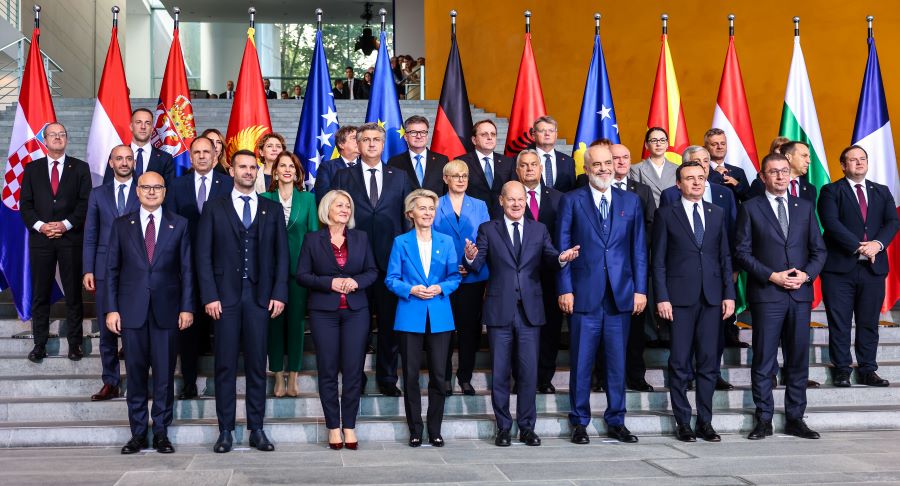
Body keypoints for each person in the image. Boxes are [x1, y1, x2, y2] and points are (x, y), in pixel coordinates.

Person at [464, 181, 580, 447]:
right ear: (502, 201)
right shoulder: (488, 229)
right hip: (499, 310)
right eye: (511, 199)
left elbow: (551, 258)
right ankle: (503, 427)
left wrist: (563, 257)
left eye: (521, 200)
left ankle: (527, 428)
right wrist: (470, 258)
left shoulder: (539, 229)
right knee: (501, 372)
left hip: (530, 311)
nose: (517, 204)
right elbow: (478, 262)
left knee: (529, 373)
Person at [196, 150, 289, 453]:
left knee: (256, 366)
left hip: (260, 298)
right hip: (224, 299)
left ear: (258, 171)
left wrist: (278, 293)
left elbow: (281, 257)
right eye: (242, 167)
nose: (248, 172)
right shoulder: (214, 207)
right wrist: (209, 294)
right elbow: (203, 255)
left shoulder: (271, 209)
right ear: (232, 170)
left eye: (253, 167)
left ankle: (256, 429)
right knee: (224, 366)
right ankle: (225, 431)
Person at [558, 143, 647, 445]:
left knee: (617, 364)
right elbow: (563, 248)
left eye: (608, 163)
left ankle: (616, 420)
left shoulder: (631, 201)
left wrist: (640, 290)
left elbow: (638, 250)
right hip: (583, 296)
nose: (604, 168)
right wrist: (565, 288)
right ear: (586, 169)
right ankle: (579, 422)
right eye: (597, 164)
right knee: (581, 363)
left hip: (620, 297)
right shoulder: (571, 201)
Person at [735, 152, 826, 440]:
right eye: (773, 172)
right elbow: (742, 252)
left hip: (799, 295)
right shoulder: (750, 208)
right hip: (767, 294)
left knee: (798, 359)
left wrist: (807, 275)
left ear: (790, 174)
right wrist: (771, 275)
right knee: (763, 359)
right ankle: (763, 419)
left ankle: (796, 418)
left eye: (784, 171)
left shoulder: (804, 207)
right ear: (762, 176)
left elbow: (819, 250)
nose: (780, 176)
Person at [105, 171, 193, 454]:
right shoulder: (121, 225)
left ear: (165, 192)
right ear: (137, 191)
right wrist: (111, 309)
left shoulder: (179, 225)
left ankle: (162, 433)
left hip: (167, 313)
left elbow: (187, 270)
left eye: (157, 187)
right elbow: (112, 271)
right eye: (146, 187)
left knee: (165, 377)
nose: (152, 192)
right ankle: (138, 434)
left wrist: (187, 307)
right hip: (131, 313)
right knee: (136, 375)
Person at [652, 161, 735, 443]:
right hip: (679, 300)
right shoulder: (666, 214)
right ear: (679, 184)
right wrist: (662, 297)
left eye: (701, 178)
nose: (697, 183)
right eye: (690, 178)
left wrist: (729, 294)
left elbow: (724, 258)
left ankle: (705, 422)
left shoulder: (717, 213)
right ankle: (683, 421)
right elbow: (658, 261)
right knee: (679, 362)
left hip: (712, 299)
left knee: (709, 363)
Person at [334, 123, 413, 397]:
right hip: (355, 264)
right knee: (356, 324)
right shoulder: (343, 176)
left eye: (376, 140)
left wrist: (406, 260)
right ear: (357, 144)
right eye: (365, 140)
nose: (370, 144)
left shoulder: (400, 177)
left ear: (383, 144)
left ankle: (388, 377)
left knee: (390, 323)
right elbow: (337, 219)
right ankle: (355, 378)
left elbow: (406, 220)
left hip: (391, 263)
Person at [297, 189, 378, 450]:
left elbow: (372, 271)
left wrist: (355, 281)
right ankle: (333, 426)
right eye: (339, 205)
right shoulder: (312, 240)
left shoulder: (361, 238)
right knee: (328, 370)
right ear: (327, 209)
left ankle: (350, 426)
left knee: (354, 371)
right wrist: (330, 283)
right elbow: (302, 276)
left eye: (348, 205)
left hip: (356, 312)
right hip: (324, 313)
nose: (344, 209)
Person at [386, 189, 461, 447]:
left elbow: (455, 276)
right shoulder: (400, 242)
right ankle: (415, 429)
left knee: (440, 375)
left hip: (440, 314)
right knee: (410, 375)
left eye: (431, 208)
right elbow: (391, 279)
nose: (428, 213)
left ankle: (435, 429)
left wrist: (441, 288)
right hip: (410, 314)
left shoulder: (447, 241)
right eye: (422, 208)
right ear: (411, 213)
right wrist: (410, 289)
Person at [819, 145, 899, 387]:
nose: (859, 163)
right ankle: (842, 369)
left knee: (868, 322)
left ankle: (867, 369)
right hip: (839, 269)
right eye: (853, 160)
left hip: (873, 269)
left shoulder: (881, 191)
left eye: (862, 159)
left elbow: (892, 221)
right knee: (840, 322)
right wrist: (859, 246)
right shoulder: (831, 190)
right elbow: (831, 223)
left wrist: (877, 244)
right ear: (843, 165)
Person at [165, 137, 233, 399]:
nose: (202, 156)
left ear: (215, 156)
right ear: (190, 158)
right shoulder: (176, 186)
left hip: (223, 268)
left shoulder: (229, 184)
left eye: (207, 151)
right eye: (197, 152)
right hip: (188, 268)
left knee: (223, 329)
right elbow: (171, 228)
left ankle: (223, 384)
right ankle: (190, 381)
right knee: (188, 329)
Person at [19, 122, 91, 363]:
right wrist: (41, 226)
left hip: (70, 238)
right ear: (45, 141)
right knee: (40, 293)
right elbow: (25, 205)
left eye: (62, 134)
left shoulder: (80, 168)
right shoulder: (32, 169)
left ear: (67, 139)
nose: (58, 138)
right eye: (53, 135)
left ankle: (75, 344)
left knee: (73, 293)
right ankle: (39, 344)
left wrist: (65, 224)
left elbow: (84, 203)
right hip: (41, 240)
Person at [593, 142, 656, 392]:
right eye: (614, 158)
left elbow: (649, 229)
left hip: (630, 272)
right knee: (601, 329)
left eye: (625, 158)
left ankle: (636, 375)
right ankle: (601, 377)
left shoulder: (641, 191)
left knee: (635, 331)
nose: (620, 162)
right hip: (600, 272)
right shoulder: (591, 188)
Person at [83, 145, 140, 401]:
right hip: (105, 269)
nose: (124, 162)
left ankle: (138, 381)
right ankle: (111, 381)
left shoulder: (145, 189)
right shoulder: (97, 194)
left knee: (135, 329)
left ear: (134, 162)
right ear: (110, 163)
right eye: (119, 158)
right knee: (107, 332)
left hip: (137, 269)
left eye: (129, 158)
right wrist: (88, 268)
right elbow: (91, 234)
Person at [260, 152, 318, 397]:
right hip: (270, 272)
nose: (286, 170)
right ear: (274, 171)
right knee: (274, 324)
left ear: (297, 173)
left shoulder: (308, 200)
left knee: (295, 323)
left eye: (291, 167)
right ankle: (277, 374)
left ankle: (293, 374)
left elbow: (314, 236)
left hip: (298, 271)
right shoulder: (264, 197)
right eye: (282, 165)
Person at [432, 160, 490, 396]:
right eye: (455, 175)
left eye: (464, 175)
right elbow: (429, 239)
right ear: (445, 179)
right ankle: (444, 377)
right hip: (443, 278)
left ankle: (465, 377)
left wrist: (470, 263)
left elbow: (485, 240)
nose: (461, 179)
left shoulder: (480, 205)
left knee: (469, 331)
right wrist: (452, 267)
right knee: (444, 330)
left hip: (473, 278)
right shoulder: (434, 204)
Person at [515, 150, 565, 394]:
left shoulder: (559, 198)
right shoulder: (507, 198)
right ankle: (521, 378)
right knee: (519, 328)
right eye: (523, 165)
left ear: (542, 168)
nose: (529, 169)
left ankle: (545, 377)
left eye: (533, 165)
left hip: (550, 275)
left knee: (550, 328)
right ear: (517, 171)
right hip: (518, 278)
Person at [457, 119, 515, 218]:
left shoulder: (508, 162)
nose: (489, 137)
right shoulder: (461, 162)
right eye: (484, 134)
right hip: (472, 218)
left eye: (493, 134)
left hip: (501, 219)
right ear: (474, 140)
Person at [104, 109, 175, 187]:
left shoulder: (165, 158)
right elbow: (107, 188)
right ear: (131, 126)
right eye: (138, 122)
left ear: (152, 128)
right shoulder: (116, 154)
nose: (143, 127)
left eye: (147, 123)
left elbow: (169, 192)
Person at [388, 115, 449, 196]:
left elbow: (447, 191)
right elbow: (392, 192)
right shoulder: (394, 162)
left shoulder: (442, 161)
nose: (419, 136)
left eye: (423, 132)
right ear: (406, 136)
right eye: (413, 132)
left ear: (427, 135)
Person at [747, 141, 816, 203]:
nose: (808, 161)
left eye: (809, 157)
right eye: (804, 156)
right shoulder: (761, 185)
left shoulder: (810, 189)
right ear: (788, 157)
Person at [629, 127, 678, 208]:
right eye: (654, 140)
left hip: (673, 216)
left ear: (667, 144)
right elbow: (637, 197)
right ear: (646, 145)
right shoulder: (636, 169)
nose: (658, 144)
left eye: (662, 140)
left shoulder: (677, 169)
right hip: (649, 216)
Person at [314, 125, 359, 204]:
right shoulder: (327, 167)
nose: (359, 141)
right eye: (354, 138)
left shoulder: (367, 166)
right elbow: (323, 197)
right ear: (341, 144)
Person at [703, 128, 750, 201]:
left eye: (723, 143)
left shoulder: (738, 171)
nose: (720, 147)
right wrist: (716, 175)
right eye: (714, 144)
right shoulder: (701, 170)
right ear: (705, 148)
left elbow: (749, 200)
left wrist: (737, 185)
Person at [533, 116, 576, 192]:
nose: (547, 134)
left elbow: (572, 190)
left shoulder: (568, 161)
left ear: (556, 135)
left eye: (551, 131)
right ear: (534, 135)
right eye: (542, 130)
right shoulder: (522, 159)